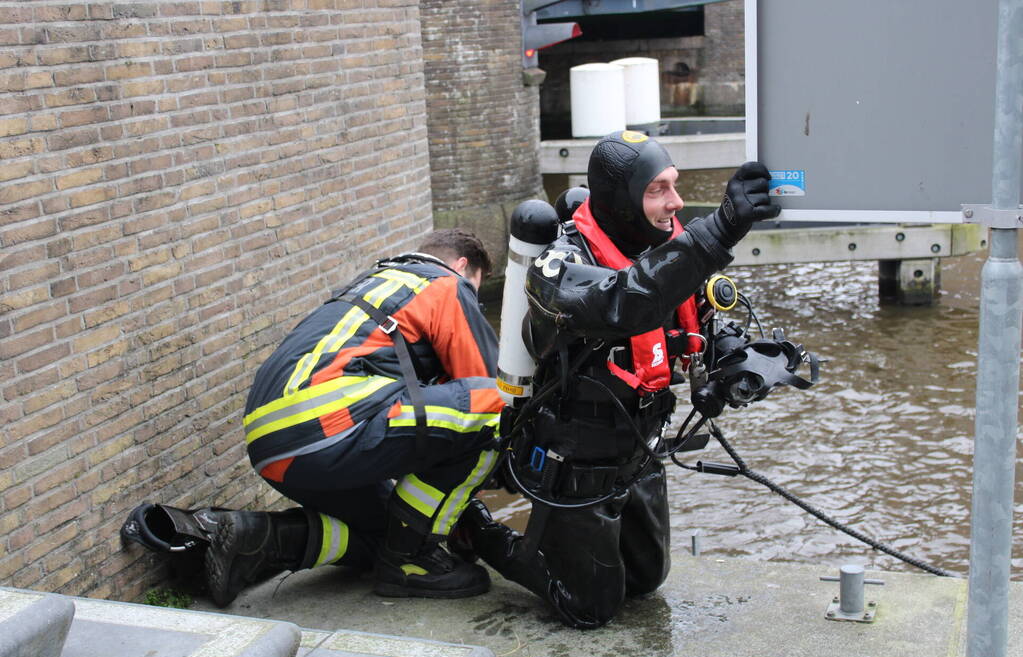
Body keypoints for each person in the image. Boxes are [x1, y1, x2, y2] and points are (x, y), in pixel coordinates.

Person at [456, 130, 780, 628]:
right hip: (577, 457)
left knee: (648, 580)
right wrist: (719, 229)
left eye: (675, 185)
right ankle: (480, 531)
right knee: (589, 609)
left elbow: (704, 320)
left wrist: (739, 361)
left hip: (639, 445)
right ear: (619, 199)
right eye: (657, 190)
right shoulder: (559, 267)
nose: (674, 202)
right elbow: (623, 300)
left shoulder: (670, 248)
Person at [203, 229, 504, 606]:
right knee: (496, 407)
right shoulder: (446, 284)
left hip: (272, 449)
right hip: (330, 427)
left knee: (393, 533)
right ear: (461, 267)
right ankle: (413, 565)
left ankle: (258, 538)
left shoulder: (369, 286)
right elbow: (482, 385)